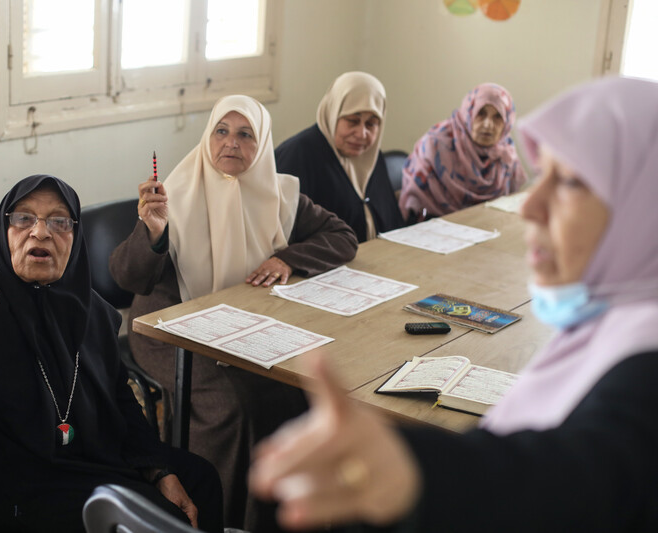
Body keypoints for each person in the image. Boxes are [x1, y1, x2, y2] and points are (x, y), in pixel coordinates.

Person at [250, 76, 658, 532]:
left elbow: (589, 473)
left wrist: (416, 472)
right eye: (544, 176)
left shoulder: (645, 361)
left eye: (571, 183)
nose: (531, 205)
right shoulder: (609, 324)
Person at [0, 175, 223, 532]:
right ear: (5, 228)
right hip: (2, 479)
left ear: (76, 237)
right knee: (161, 519)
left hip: (82, 456)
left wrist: (158, 470)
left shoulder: (89, 309)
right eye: (24, 218)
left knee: (198, 479)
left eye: (59, 221)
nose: (40, 232)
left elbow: (118, 396)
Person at [109, 95, 359, 532]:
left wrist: (289, 259)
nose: (231, 143)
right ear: (208, 136)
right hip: (171, 330)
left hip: (245, 325)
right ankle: (219, 515)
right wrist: (152, 231)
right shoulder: (177, 194)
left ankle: (278, 510)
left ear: (261, 145)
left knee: (298, 389)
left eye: (246, 134)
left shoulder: (279, 193)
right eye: (221, 131)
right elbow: (129, 277)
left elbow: (342, 236)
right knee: (234, 405)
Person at [275, 71, 405, 242]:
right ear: (333, 113)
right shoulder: (297, 155)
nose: (361, 134)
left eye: (371, 124)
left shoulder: (372, 157)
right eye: (352, 121)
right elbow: (286, 236)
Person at [398, 83, 526, 223]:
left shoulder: (506, 152)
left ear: (507, 123)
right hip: (433, 231)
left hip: (490, 228)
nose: (488, 124)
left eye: (497, 117)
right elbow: (415, 206)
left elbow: (510, 203)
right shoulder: (434, 145)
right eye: (481, 114)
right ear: (468, 113)